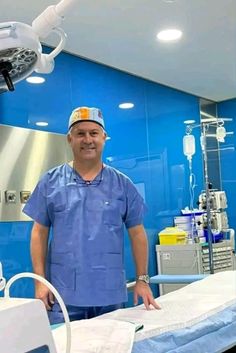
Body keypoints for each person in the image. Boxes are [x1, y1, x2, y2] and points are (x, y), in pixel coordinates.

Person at [23, 106, 160, 324]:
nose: (87, 139)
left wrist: (142, 280)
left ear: (104, 137)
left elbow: (137, 233)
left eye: (93, 133)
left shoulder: (122, 185)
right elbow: (38, 233)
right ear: (70, 139)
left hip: (108, 294)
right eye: (80, 133)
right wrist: (40, 282)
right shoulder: (50, 182)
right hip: (63, 295)